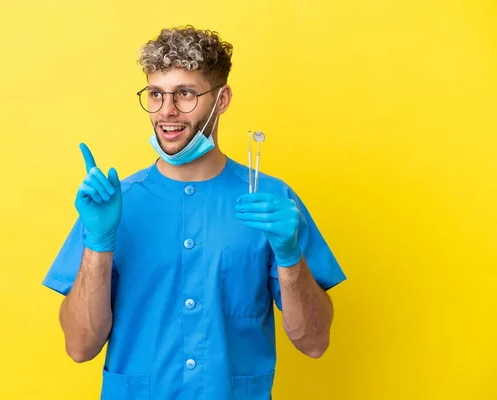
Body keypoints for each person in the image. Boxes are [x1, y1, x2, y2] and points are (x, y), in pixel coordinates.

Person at [42, 25, 347, 400]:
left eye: (185, 94)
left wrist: (290, 258)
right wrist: (98, 244)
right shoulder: (114, 203)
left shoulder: (270, 200)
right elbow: (79, 347)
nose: (166, 112)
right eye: (156, 94)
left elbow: (314, 342)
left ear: (221, 99)